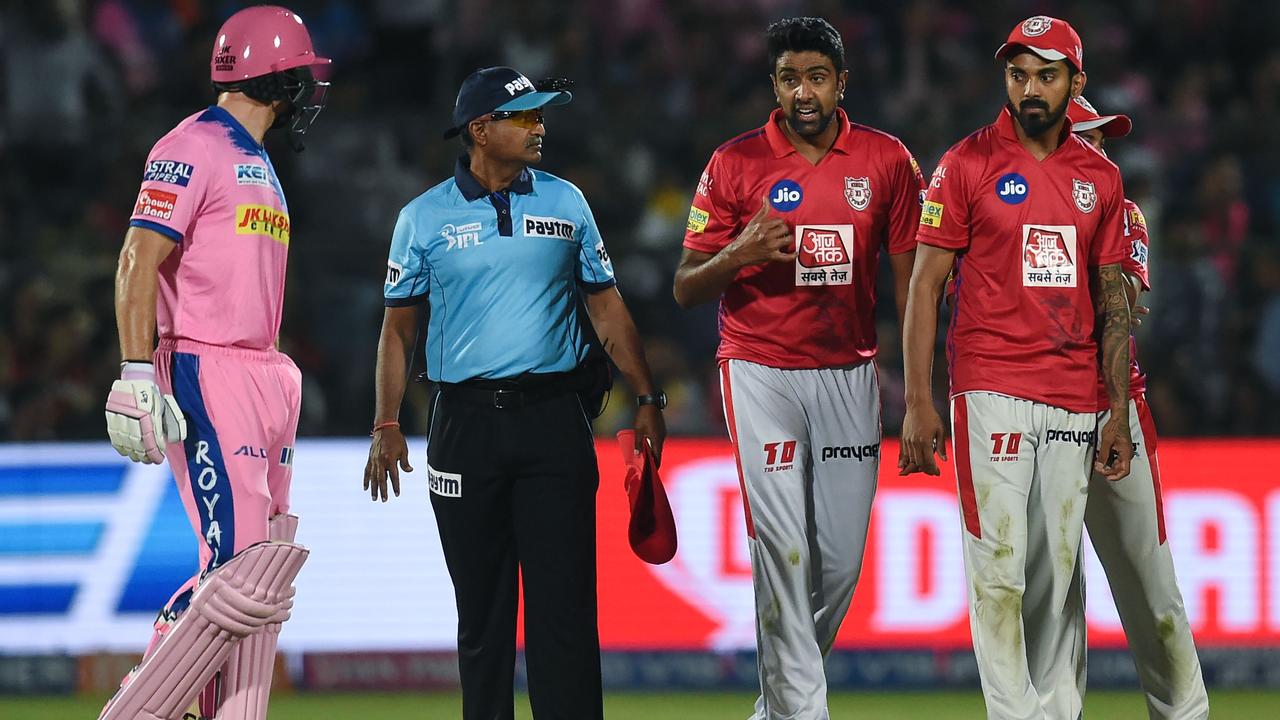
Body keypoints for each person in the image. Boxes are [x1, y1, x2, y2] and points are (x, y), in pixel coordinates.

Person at [363, 66, 666, 720]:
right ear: (480, 128)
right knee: (483, 618)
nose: (540, 128)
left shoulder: (567, 202)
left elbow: (607, 310)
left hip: (555, 422)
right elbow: (398, 331)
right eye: (525, 117)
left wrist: (648, 398)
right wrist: (386, 422)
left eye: (540, 116)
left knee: (566, 616)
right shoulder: (422, 220)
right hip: (463, 429)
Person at [673, 17, 924, 719]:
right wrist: (739, 251)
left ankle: (774, 706)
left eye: (816, 77)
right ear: (774, 85)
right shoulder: (734, 163)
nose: (803, 92)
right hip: (759, 368)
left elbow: (914, 281)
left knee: (838, 565)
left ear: (841, 82)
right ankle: (802, 715)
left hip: (850, 374)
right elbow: (687, 284)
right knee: (781, 548)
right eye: (789, 78)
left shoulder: (887, 161)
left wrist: (923, 392)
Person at [99, 6, 330, 720]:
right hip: (206, 367)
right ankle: (139, 708)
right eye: (300, 81)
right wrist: (136, 371)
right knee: (237, 568)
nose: (306, 97)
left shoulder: (255, 160)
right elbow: (140, 257)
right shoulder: (193, 144)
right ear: (277, 79)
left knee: (263, 565)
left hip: (261, 371)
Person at [899, 16, 1134, 719]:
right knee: (997, 567)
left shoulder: (1101, 177)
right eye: (1018, 74)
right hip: (989, 386)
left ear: (1076, 82)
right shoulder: (965, 163)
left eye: (1047, 75)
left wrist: (1117, 410)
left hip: (1073, 394)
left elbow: (1113, 301)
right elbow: (923, 286)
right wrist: (918, 401)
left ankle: (1059, 712)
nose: (1029, 89)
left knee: (1057, 576)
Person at [1068, 96, 1210, 719]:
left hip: (1111, 411)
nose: (1100, 152)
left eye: (1103, 141)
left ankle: (1184, 713)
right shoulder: (1003, 203)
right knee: (1046, 598)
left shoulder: (1123, 213)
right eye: (1086, 140)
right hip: (1027, 411)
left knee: (1153, 588)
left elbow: (1116, 308)